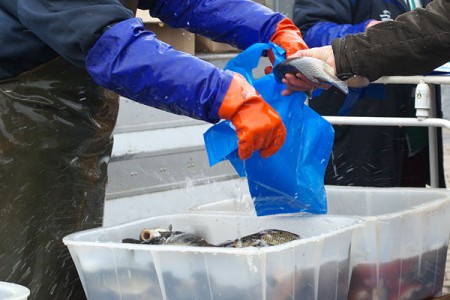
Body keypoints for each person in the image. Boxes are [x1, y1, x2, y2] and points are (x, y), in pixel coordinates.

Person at [0, 1, 309, 299]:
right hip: (19, 125)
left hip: (74, 125)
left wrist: (269, 27)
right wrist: (225, 94)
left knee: (65, 261)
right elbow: (112, 46)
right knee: (27, 273)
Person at [291, 0, 443, 187]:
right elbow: (307, 34)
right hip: (358, 123)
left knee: (418, 202)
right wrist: (368, 32)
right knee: (359, 205)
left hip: (415, 123)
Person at [287, 0, 450, 84]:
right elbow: (309, 34)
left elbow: (435, 28)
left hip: (420, 110)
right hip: (361, 114)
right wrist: (365, 31)